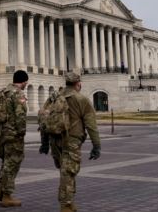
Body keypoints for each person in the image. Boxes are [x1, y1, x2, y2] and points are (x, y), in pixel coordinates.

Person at [59, 72, 100, 212]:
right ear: (78, 83)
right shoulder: (81, 99)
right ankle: (66, 204)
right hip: (72, 139)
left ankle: (68, 202)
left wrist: (45, 142)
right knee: (69, 172)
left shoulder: (56, 96)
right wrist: (97, 146)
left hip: (56, 139)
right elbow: (91, 125)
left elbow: (43, 117)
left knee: (65, 171)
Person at [0, 70, 29, 208]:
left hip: (2, 133)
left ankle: (1, 190)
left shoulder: (4, 92)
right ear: (24, 81)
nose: (27, 84)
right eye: (26, 82)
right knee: (12, 164)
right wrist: (21, 133)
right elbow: (20, 115)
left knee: (6, 162)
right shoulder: (18, 94)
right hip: (13, 134)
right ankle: (7, 196)